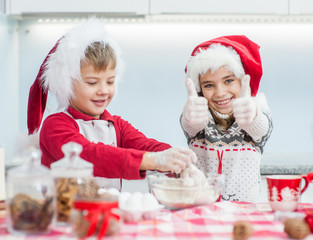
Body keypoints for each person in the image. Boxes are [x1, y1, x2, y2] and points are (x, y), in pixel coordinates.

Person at [27, 19, 197, 190]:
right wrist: (154, 160)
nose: (103, 90)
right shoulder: (55, 126)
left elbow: (147, 145)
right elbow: (91, 155)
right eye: (92, 83)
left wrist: (176, 158)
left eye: (110, 81)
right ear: (67, 84)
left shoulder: (117, 126)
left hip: (108, 213)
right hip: (66, 214)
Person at [181, 35, 273, 202]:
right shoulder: (197, 115)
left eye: (229, 81)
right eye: (209, 85)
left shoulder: (257, 113)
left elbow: (262, 127)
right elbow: (189, 125)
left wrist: (252, 117)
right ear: (199, 89)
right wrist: (191, 118)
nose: (220, 93)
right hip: (201, 212)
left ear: (242, 81)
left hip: (244, 217)